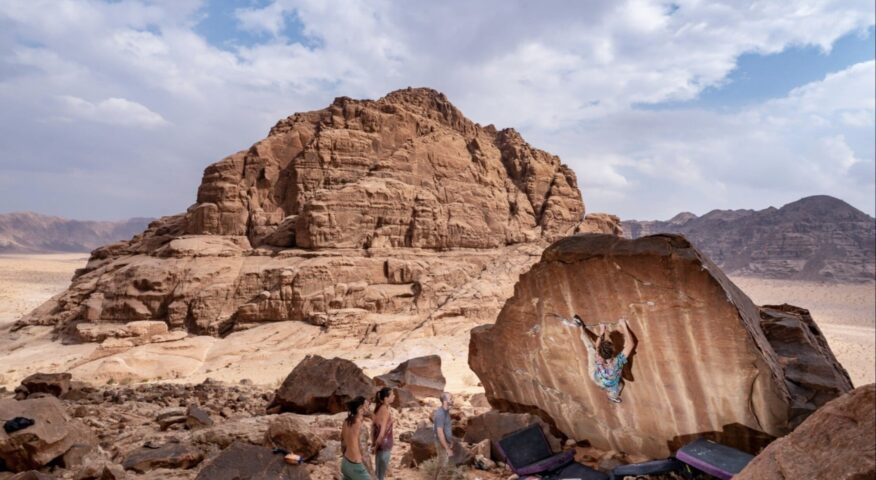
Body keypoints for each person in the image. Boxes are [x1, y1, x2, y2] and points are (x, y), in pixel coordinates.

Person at [576, 315, 636, 403]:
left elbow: (597, 346)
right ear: (613, 352)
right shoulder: (615, 363)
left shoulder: (599, 358)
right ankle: (612, 396)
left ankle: (581, 327)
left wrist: (602, 331)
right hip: (604, 378)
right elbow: (631, 344)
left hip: (597, 376)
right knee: (620, 385)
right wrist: (624, 326)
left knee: (590, 348)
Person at [341, 396, 374, 480]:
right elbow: (363, 450)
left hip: (345, 463)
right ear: (360, 409)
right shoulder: (359, 424)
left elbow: (343, 443)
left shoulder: (346, 421)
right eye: (366, 406)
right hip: (355, 465)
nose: (368, 408)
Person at [371, 387, 395, 480]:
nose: (394, 396)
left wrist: (374, 444)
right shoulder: (384, 410)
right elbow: (382, 433)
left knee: (378, 473)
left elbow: (373, 428)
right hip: (384, 446)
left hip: (380, 446)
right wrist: (375, 447)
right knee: (380, 476)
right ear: (386, 398)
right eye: (392, 395)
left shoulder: (378, 408)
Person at [433, 392, 454, 480]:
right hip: (441, 442)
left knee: (440, 463)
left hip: (445, 442)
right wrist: (447, 448)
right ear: (445, 401)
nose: (452, 400)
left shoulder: (446, 411)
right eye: (450, 399)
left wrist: (451, 441)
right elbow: (440, 432)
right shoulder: (440, 414)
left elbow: (447, 428)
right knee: (444, 467)